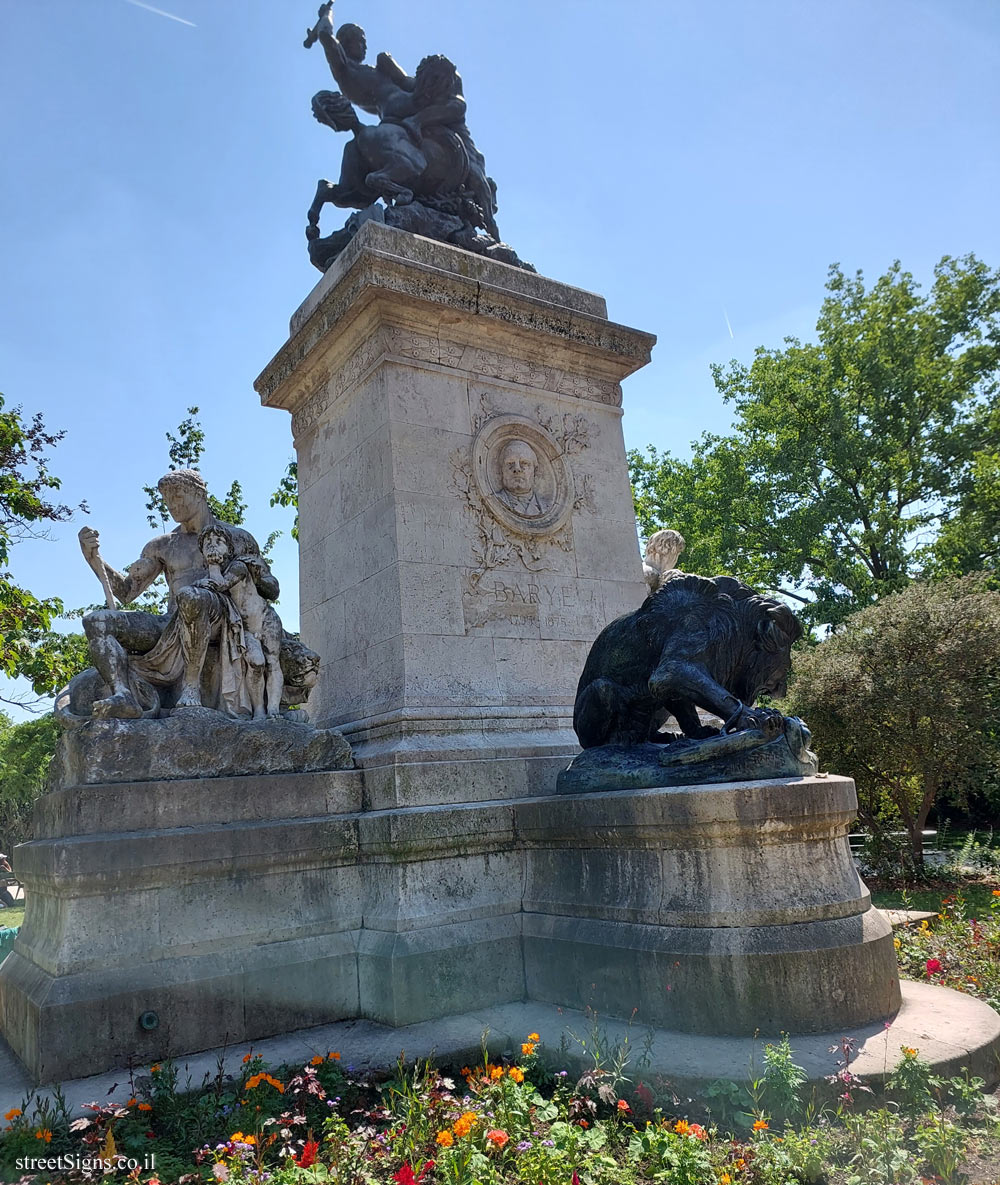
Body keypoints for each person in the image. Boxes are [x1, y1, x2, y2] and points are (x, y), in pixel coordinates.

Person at [79, 470, 279, 718]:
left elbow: (271, 589)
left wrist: (251, 573)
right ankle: (124, 695)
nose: (172, 505)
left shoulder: (238, 538)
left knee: (192, 597)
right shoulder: (162, 544)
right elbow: (127, 592)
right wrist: (93, 559)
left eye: (178, 496)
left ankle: (191, 689)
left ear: (199, 494)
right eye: (167, 500)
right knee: (97, 621)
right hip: (172, 622)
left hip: (220, 619)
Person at [197, 526, 284, 720]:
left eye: (218, 542)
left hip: (266, 618)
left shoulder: (238, 566)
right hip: (245, 628)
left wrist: (212, 567)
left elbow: (220, 585)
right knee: (256, 662)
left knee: (272, 662)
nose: (213, 547)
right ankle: (259, 708)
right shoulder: (210, 575)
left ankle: (273, 710)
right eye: (207, 544)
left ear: (228, 548)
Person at [496, 440, 545, 517]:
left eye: (524, 463)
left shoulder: (545, 507)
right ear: (501, 471)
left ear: (535, 471)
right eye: (510, 463)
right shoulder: (495, 499)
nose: (517, 469)